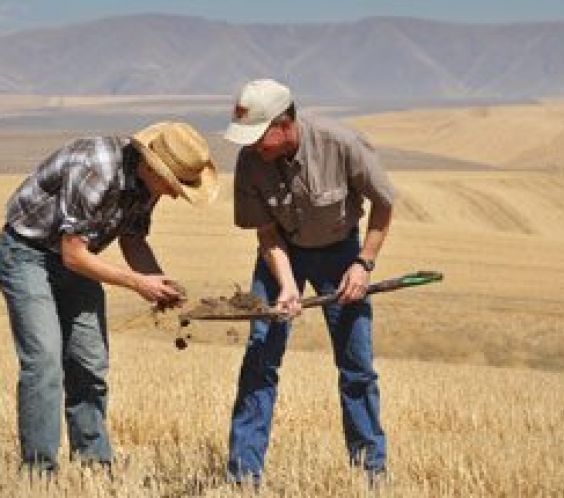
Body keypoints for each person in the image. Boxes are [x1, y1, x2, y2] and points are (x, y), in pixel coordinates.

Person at [0, 121, 219, 474]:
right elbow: (73, 254)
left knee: (90, 361)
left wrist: (158, 281)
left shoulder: (147, 185)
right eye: (173, 184)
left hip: (77, 260)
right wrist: (137, 283)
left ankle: (94, 464)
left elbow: (132, 239)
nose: (176, 193)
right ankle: (39, 472)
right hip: (29, 252)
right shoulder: (96, 171)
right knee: (43, 362)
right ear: (151, 165)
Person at [224, 79, 396, 487]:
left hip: (342, 253)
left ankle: (371, 474)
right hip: (280, 253)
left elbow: (384, 205)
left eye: (258, 137)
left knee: (356, 367)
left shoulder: (341, 144)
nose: (251, 147)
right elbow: (266, 234)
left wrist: (362, 265)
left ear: (284, 124)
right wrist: (286, 285)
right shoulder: (251, 163)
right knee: (260, 360)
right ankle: (243, 478)